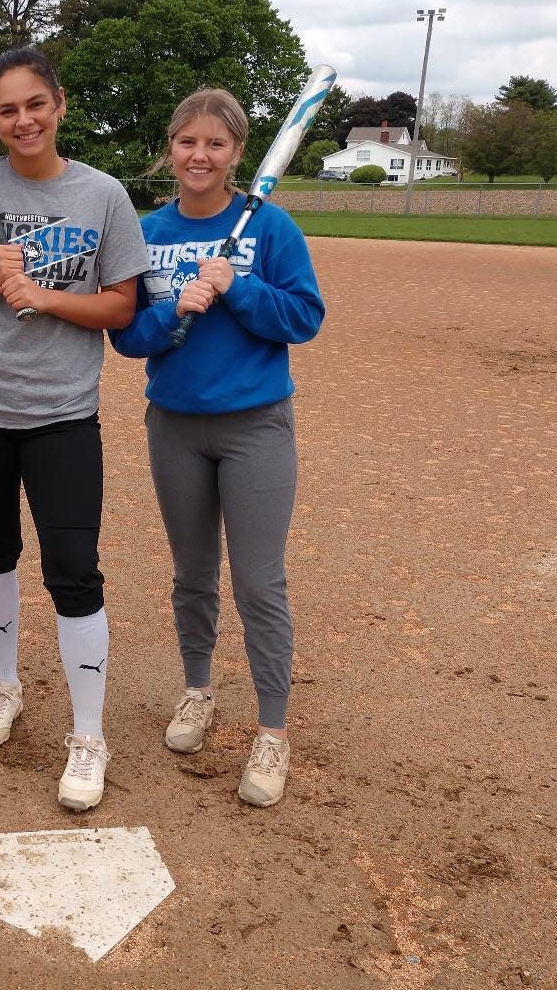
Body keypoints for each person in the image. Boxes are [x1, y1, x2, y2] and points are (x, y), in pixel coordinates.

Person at [0, 46, 148, 811]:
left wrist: (46, 298)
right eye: (7, 109)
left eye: (35, 104)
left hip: (61, 413)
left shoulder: (103, 195)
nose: (23, 120)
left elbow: (122, 307)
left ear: (59, 104)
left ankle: (89, 734)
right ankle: (3, 685)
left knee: (74, 569)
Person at [109, 88, 324, 808]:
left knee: (260, 582)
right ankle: (197, 691)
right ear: (170, 148)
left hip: (255, 425)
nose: (200, 156)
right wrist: (176, 309)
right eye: (187, 142)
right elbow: (129, 337)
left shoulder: (270, 227)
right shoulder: (146, 231)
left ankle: (272, 730)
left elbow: (303, 318)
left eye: (216, 144)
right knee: (192, 574)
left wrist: (240, 289)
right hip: (174, 425)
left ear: (237, 153)